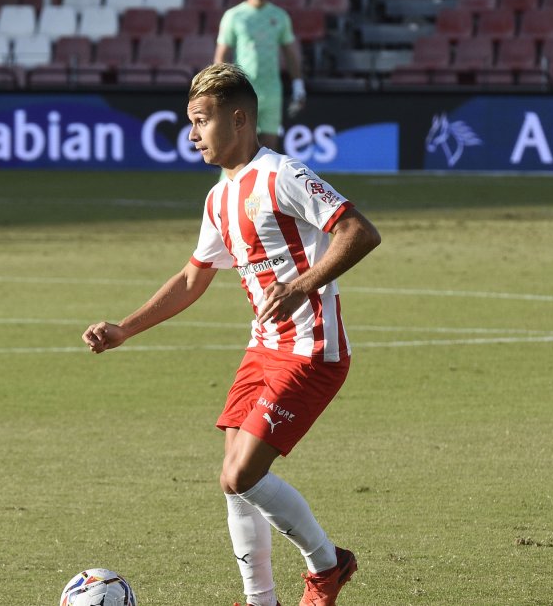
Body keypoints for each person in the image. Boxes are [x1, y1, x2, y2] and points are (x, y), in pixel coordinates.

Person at [82, 63, 381, 605]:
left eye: (201, 121)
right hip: (262, 349)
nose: (192, 135)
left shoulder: (281, 175)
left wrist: (300, 286)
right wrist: (125, 328)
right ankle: (259, 600)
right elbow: (194, 278)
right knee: (231, 480)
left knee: (242, 474)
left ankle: (327, 565)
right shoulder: (219, 197)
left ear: (238, 119)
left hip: (311, 350)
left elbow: (360, 232)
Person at [214, 0, 306, 152]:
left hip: (271, 89)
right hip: (244, 88)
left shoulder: (279, 16)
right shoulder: (235, 16)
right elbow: (222, 55)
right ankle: (232, 182)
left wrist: (298, 84)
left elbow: (289, 53)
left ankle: (262, 183)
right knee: (239, 146)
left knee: (269, 147)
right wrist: (220, 86)